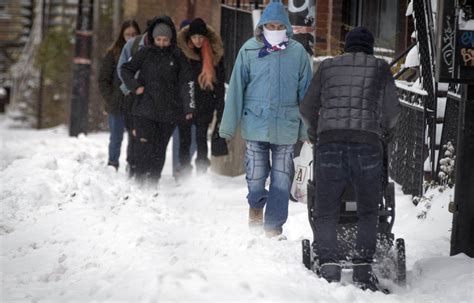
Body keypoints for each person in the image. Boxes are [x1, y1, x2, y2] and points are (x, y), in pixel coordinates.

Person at [299, 26, 401, 291]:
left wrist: (315, 133)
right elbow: (392, 112)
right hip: (367, 144)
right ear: (369, 47)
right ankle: (363, 269)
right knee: (368, 209)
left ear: (346, 46)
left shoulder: (327, 67)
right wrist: (384, 135)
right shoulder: (380, 68)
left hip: (330, 142)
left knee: (326, 208)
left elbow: (307, 107)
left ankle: (329, 266)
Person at [219, 0, 312, 238]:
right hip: (255, 124)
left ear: (286, 27)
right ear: (262, 26)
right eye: (269, 25)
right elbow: (237, 90)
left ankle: (273, 226)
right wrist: (227, 129)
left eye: (278, 25)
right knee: (256, 176)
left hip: (286, 125)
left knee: (281, 178)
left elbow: (306, 94)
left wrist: (306, 130)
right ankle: (256, 206)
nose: (274, 29)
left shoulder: (298, 53)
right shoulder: (249, 50)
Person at [121, 16, 195, 183]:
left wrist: (189, 107)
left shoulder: (177, 55)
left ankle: (153, 181)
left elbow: (187, 81)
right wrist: (135, 86)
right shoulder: (145, 53)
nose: (162, 43)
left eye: (165, 40)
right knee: (143, 146)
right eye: (159, 39)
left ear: (171, 39)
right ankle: (139, 181)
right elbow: (126, 69)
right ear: (153, 38)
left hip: (168, 111)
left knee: (159, 149)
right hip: (144, 109)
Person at [177, 18, 225, 175]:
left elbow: (219, 82)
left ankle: (201, 175)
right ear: (189, 37)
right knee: (184, 140)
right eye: (194, 37)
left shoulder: (214, 54)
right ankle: (184, 174)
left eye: (201, 37)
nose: (197, 41)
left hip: (205, 103)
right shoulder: (182, 53)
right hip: (185, 103)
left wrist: (220, 107)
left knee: (201, 139)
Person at [98, 20, 140, 170]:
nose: (130, 37)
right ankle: (113, 163)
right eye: (127, 34)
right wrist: (110, 98)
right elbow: (103, 79)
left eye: (134, 34)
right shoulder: (113, 53)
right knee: (116, 137)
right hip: (117, 103)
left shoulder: (142, 52)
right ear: (122, 35)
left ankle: (132, 163)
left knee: (134, 137)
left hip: (135, 103)